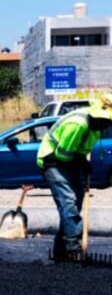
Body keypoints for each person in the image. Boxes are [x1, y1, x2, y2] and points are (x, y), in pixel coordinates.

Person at [37, 92, 112, 260]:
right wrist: (81, 162)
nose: (109, 125)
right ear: (99, 116)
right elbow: (62, 155)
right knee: (68, 201)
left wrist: (84, 163)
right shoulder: (78, 124)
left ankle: (60, 250)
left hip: (71, 161)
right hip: (53, 160)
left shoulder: (96, 127)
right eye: (108, 121)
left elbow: (80, 150)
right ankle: (73, 249)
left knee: (75, 203)